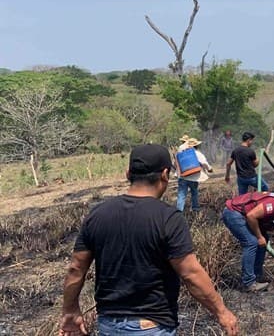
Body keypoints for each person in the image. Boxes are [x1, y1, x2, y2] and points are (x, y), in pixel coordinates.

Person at [58, 144, 238, 336]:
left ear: (128, 174)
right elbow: (191, 274)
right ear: (165, 174)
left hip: (108, 325)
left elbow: (76, 268)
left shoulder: (97, 215)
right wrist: (222, 312)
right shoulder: (168, 218)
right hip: (151, 326)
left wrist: (69, 309)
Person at [221, 191, 274, 291]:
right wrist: (259, 237)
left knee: (264, 239)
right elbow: (251, 216)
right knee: (251, 242)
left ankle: (257, 276)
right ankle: (248, 283)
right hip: (234, 213)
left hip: (245, 217)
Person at [175, 138, 212, 212]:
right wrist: (210, 169)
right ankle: (195, 209)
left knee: (181, 195)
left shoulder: (181, 153)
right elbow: (204, 163)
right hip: (194, 177)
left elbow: (176, 164)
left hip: (183, 177)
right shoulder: (198, 153)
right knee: (194, 193)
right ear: (197, 146)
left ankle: (179, 211)